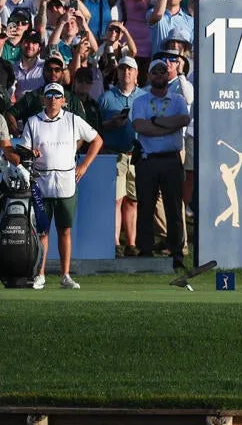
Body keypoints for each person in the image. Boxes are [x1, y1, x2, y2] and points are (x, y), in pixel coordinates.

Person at [12, 82, 102, 289]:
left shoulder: (72, 119)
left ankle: (65, 275)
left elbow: (97, 140)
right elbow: (23, 150)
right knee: (42, 232)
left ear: (64, 100)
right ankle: (40, 274)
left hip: (66, 183)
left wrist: (84, 166)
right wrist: (31, 153)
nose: (53, 99)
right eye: (49, 95)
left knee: (65, 230)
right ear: (43, 99)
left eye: (57, 95)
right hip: (41, 183)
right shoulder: (33, 122)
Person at [130, 59, 189, 269]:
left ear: (168, 75)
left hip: (171, 159)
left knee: (174, 208)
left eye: (162, 72)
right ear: (149, 76)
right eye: (155, 72)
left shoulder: (178, 99)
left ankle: (177, 253)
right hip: (148, 159)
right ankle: (145, 250)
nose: (159, 76)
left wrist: (154, 122)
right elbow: (140, 126)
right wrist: (166, 126)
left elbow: (183, 120)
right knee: (145, 206)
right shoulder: (140, 101)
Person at [97, 56, 144, 255]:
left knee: (132, 200)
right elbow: (97, 127)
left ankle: (131, 244)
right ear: (117, 72)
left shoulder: (144, 96)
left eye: (130, 69)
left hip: (137, 155)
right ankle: (115, 243)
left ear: (136, 73)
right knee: (116, 200)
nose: (126, 73)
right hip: (114, 154)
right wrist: (112, 124)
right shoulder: (106, 97)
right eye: (123, 69)